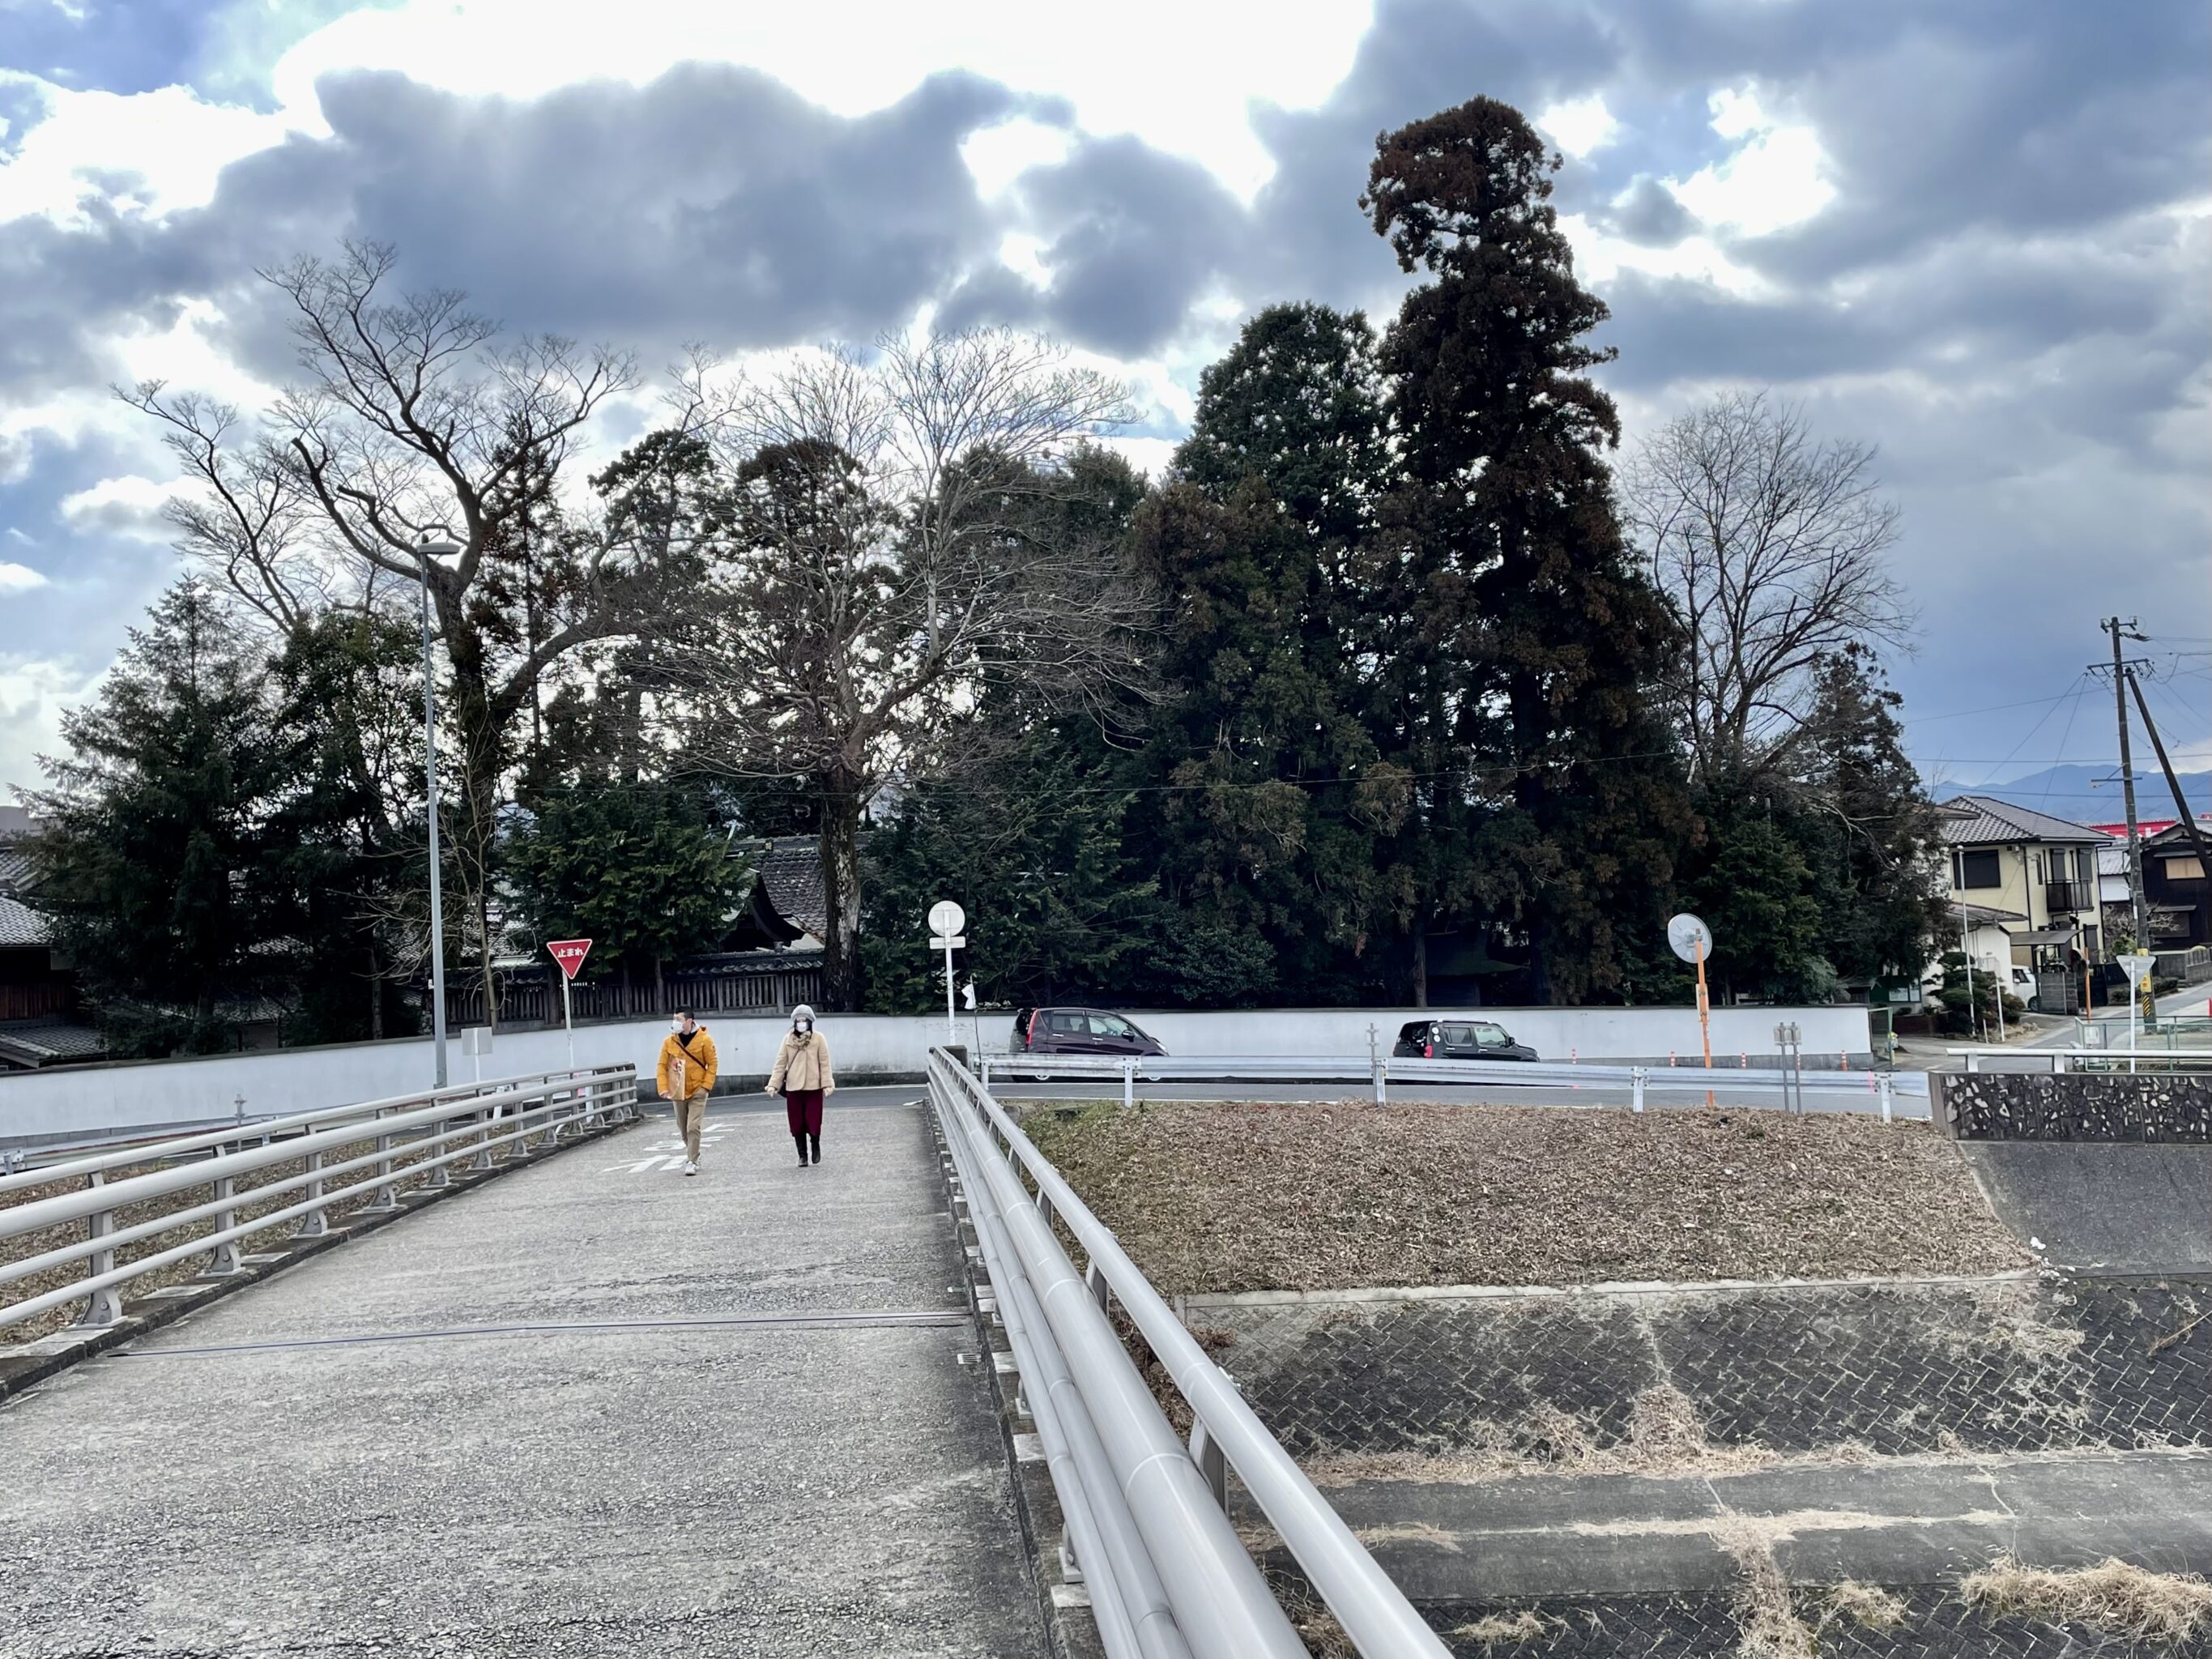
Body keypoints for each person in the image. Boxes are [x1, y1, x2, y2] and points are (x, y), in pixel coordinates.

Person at [766, 1004, 835, 1166]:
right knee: (797, 1123)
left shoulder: (818, 1038)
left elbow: (824, 1063)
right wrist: (773, 1084)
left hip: (814, 1087)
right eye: (798, 1020)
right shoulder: (788, 1039)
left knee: (813, 1120)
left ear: (810, 1021)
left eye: (804, 1020)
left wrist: (827, 1083)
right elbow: (780, 1063)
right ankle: (802, 1155)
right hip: (794, 1088)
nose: (801, 1023)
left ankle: (815, 1143)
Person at [654, 1010, 718, 1176]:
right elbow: (662, 1066)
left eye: (679, 1019)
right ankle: (694, 1153)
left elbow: (712, 1064)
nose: (675, 1022)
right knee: (683, 1129)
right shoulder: (669, 1042)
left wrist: (706, 1086)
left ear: (689, 1021)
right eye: (674, 1018)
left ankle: (692, 1161)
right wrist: (663, 1088)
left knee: (693, 1127)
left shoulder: (704, 1039)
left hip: (698, 1089)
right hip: (677, 1090)